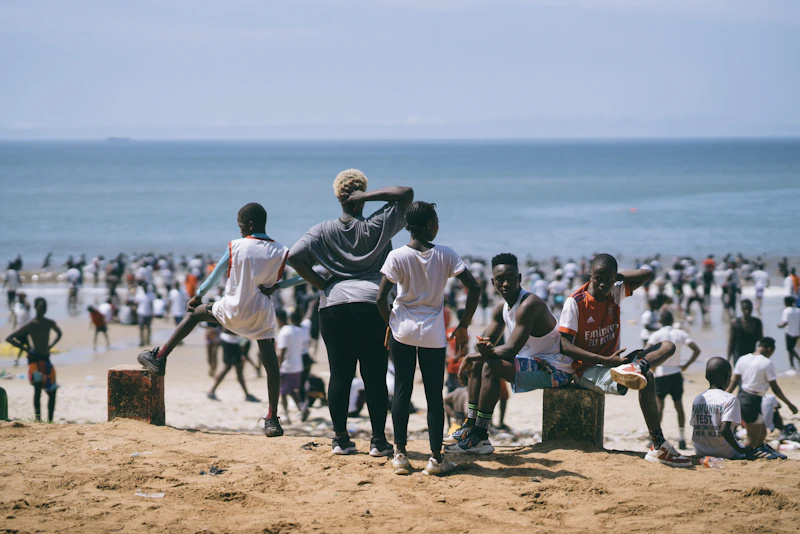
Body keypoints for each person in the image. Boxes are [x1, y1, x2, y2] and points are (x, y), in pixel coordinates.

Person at [137, 202, 290, 437]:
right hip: (261, 316)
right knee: (271, 368)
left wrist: (197, 297)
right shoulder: (281, 250)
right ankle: (272, 419)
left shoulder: (236, 246)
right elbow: (303, 275)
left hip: (231, 311)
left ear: (249, 225)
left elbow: (215, 274)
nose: (239, 230)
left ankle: (159, 357)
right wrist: (279, 286)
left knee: (195, 316)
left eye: (240, 226)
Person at [288, 169, 413, 456]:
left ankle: (340, 439)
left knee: (340, 374)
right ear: (360, 195)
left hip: (334, 304)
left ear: (337, 196)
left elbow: (294, 256)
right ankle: (379, 441)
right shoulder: (378, 224)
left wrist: (322, 284)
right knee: (374, 374)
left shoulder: (322, 230)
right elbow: (406, 193)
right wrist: (368, 196)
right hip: (372, 303)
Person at [377, 201, 480, 476]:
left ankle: (400, 454)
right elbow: (474, 287)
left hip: (403, 329)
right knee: (434, 395)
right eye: (435, 221)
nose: (437, 226)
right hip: (432, 332)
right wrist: (464, 325)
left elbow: (380, 297)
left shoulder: (397, 255)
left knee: (402, 388)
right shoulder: (445, 254)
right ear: (426, 225)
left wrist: (389, 323)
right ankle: (435, 458)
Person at [558, 253, 691, 466]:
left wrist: (613, 276)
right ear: (589, 276)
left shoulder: (615, 291)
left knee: (668, 345)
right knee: (646, 378)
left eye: (608, 279)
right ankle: (658, 445)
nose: (602, 284)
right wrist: (603, 359)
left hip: (616, 362)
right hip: (587, 369)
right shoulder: (575, 302)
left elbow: (646, 274)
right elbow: (564, 345)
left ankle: (637, 367)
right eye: (598, 278)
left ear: (615, 279)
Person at [445, 253, 575, 455]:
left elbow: (510, 349)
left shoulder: (529, 304)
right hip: (533, 362)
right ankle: (470, 424)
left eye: (511, 278)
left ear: (520, 278)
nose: (505, 284)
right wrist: (476, 353)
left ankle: (480, 434)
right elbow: (485, 345)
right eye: (500, 279)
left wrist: (473, 356)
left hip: (556, 368)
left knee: (489, 365)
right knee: (481, 362)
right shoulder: (502, 309)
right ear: (492, 282)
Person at [727, 337, 798, 451]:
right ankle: (740, 455)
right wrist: (789, 404)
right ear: (770, 349)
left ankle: (755, 453)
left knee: (762, 433)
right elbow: (775, 388)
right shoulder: (767, 363)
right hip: (751, 401)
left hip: (742, 398)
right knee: (751, 438)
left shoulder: (742, 359)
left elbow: (734, 381)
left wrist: (725, 395)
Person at [647, 310, 701, 449]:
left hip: (661, 372)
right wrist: (686, 365)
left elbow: (646, 352)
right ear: (672, 320)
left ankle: (655, 438)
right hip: (676, 372)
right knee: (678, 406)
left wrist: (652, 366)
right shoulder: (680, 333)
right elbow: (696, 349)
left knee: (659, 407)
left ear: (660, 321)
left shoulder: (656, 334)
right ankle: (682, 438)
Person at [5, 297, 63, 422]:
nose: (43, 310)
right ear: (35, 307)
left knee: (52, 391)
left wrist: (50, 346)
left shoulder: (49, 322)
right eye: (41, 307)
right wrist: (25, 349)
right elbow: (9, 338)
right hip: (35, 360)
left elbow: (59, 333)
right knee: (37, 391)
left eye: (45, 307)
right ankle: (38, 420)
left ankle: (50, 421)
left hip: (46, 359)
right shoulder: (30, 324)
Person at [690, 358, 752, 460]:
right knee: (751, 449)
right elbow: (724, 429)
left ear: (706, 377)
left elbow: (695, 426)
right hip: (724, 452)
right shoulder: (729, 399)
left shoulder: (699, 398)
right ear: (728, 378)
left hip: (700, 451)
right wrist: (740, 450)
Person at [207, 328, 260, 402]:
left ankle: (212, 391)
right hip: (233, 341)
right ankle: (247, 395)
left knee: (229, 369)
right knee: (236, 370)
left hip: (228, 339)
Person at [275, 309, 306, 423]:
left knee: (282, 392)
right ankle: (302, 409)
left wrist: (277, 367)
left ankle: (286, 415)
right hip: (298, 365)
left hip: (286, 367)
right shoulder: (298, 330)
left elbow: (281, 352)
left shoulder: (283, 332)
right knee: (292, 390)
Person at [727, 299, 763, 365]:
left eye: (749, 309)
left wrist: (762, 357)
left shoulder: (757, 323)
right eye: (745, 309)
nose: (747, 311)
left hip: (752, 355)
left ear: (752, 309)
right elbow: (731, 342)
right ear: (741, 309)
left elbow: (761, 341)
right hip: (738, 356)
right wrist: (728, 359)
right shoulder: (735, 323)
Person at [778, 296, 800, 371]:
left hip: (789, 333)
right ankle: (797, 360)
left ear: (786, 303)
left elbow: (785, 322)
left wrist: (779, 326)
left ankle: (792, 366)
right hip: (797, 333)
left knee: (790, 350)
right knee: (793, 349)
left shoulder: (786, 311)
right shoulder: (798, 310)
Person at [12, 293, 32, 365]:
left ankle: (17, 359)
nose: (19, 298)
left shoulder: (26, 305)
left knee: (23, 344)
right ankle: (28, 358)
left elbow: (28, 306)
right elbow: (15, 316)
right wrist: (14, 326)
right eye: (19, 297)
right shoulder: (17, 305)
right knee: (25, 345)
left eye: (21, 297)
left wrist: (24, 299)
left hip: (26, 328)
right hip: (19, 328)